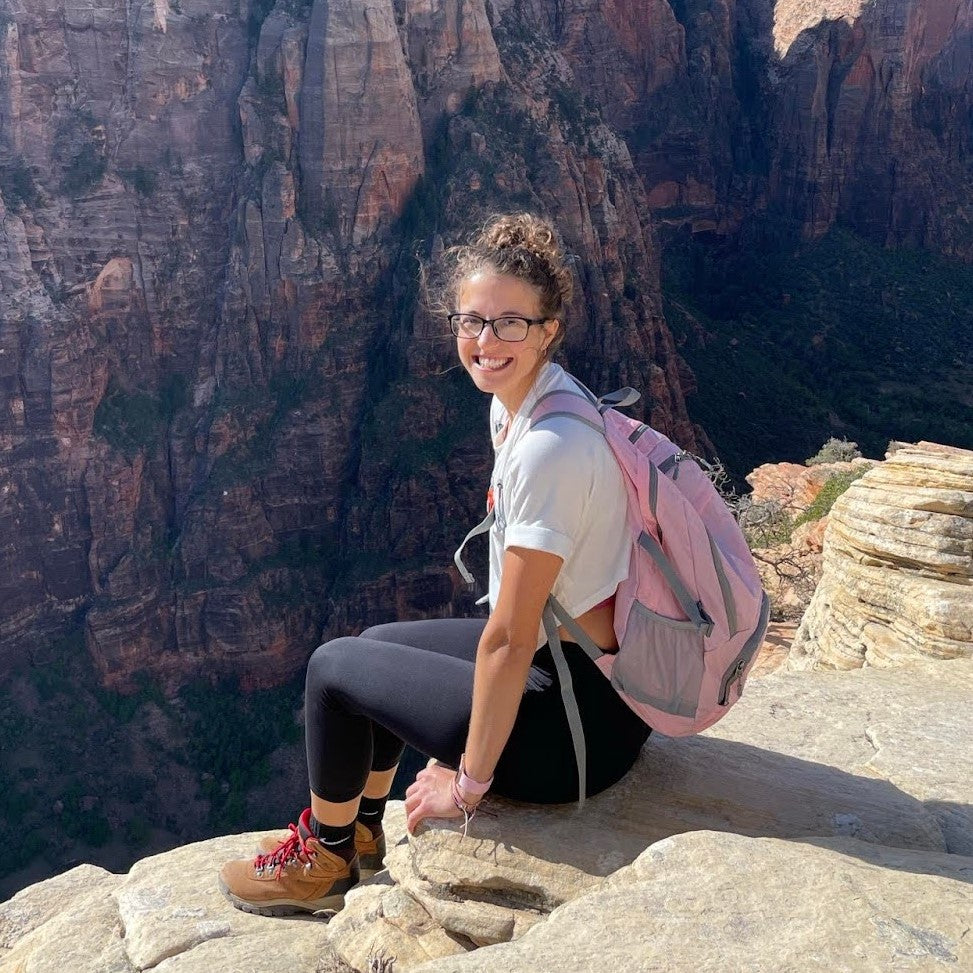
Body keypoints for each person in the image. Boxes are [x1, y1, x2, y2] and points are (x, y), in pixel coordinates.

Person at [218, 213, 650, 917]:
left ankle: (324, 862)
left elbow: (509, 639)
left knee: (332, 666)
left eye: (511, 322)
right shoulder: (529, 405)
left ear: (549, 327)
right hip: (581, 684)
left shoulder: (548, 447)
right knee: (377, 646)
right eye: (472, 320)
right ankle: (359, 830)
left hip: (577, 733)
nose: (486, 342)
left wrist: (465, 785)